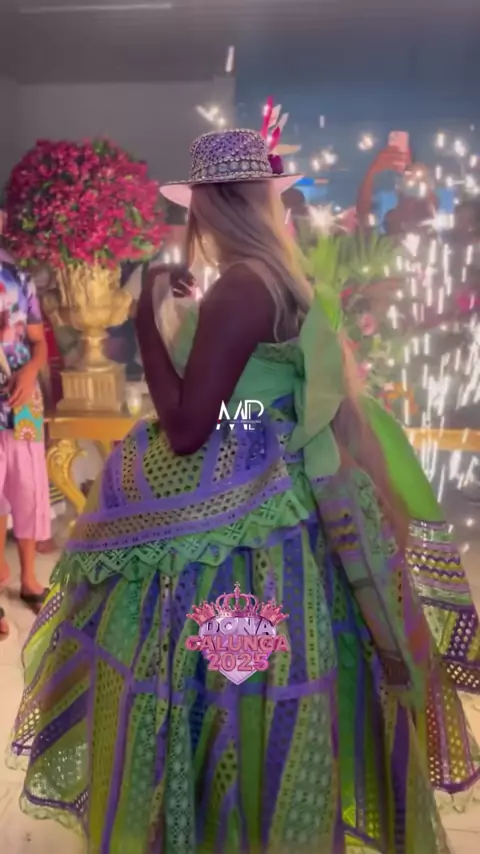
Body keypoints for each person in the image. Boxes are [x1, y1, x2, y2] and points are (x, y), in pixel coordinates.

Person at [9, 130, 480, 853]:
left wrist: (146, 323)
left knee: (223, 678)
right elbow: (250, 393)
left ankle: (225, 820)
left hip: (238, 519)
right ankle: (269, 813)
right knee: (275, 673)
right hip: (281, 503)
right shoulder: (277, 279)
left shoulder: (241, 287)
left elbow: (188, 427)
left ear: (207, 208)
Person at [0, 211, 50, 638]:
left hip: (25, 401)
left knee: (30, 488)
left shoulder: (19, 277)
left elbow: (39, 343)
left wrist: (31, 371)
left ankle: (30, 580)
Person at [356, 145, 437, 237]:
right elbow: (364, 218)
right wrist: (373, 171)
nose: (410, 178)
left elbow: (432, 208)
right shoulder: (391, 217)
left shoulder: (427, 210)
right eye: (405, 173)